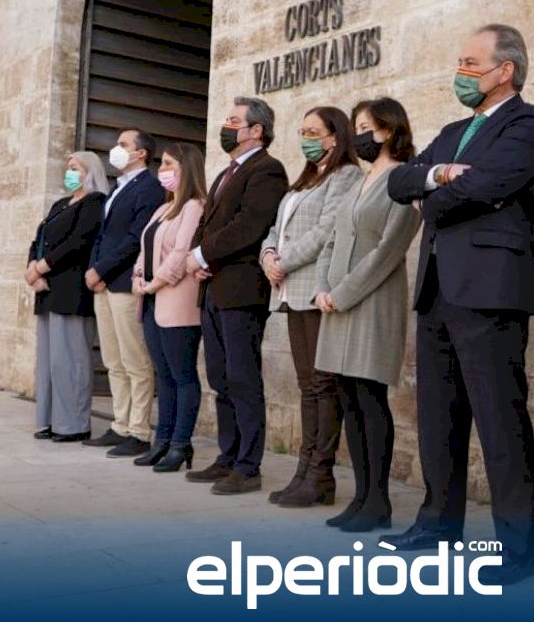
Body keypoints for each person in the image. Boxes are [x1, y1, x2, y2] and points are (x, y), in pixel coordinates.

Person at [382, 24, 534, 586]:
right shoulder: (453, 131)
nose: (461, 73)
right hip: (437, 288)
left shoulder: (530, 123)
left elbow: (490, 185)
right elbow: (399, 181)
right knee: (438, 417)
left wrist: (432, 199)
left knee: (500, 420)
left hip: (491, 288)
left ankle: (516, 551)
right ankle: (437, 525)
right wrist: (436, 174)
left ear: (506, 70)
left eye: (471, 63)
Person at [313, 98, 420, 532]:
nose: (358, 136)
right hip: (336, 303)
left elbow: (388, 250)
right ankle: (360, 496)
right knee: (348, 398)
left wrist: (341, 293)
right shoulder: (359, 180)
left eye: (365, 127)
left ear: (389, 130)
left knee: (369, 397)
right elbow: (333, 239)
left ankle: (378, 501)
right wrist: (322, 288)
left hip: (372, 302)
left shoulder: (402, 181)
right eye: (355, 127)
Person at [183, 97, 288, 495]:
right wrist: (198, 257)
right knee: (220, 376)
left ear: (256, 130)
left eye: (233, 121)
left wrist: (202, 255)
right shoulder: (226, 172)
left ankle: (248, 465)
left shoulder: (267, 169)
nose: (226, 127)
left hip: (242, 291)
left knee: (243, 378)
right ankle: (227, 456)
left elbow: (250, 226)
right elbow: (207, 224)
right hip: (213, 288)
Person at [260, 107, 363, 508]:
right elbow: (276, 228)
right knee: (308, 386)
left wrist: (283, 262)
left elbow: (327, 230)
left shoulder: (345, 176)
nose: (305, 138)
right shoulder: (304, 180)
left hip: (314, 289)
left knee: (323, 384)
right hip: (290, 291)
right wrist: (268, 255)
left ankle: (320, 474)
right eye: (302, 131)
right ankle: (304, 471)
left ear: (335, 137)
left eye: (313, 131)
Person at [82, 129, 166, 458]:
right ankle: (120, 424)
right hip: (104, 283)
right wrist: (94, 270)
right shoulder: (117, 188)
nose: (115, 149)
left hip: (124, 284)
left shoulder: (150, 188)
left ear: (141, 153)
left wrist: (101, 270)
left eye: (122, 144)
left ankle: (139, 431)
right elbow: (102, 235)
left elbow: (135, 239)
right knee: (113, 360)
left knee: (135, 360)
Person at [130, 143, 209, 473]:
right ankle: (161, 441)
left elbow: (181, 253)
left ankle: (180, 443)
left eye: (167, 164)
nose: (161, 170)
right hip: (150, 299)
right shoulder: (163, 209)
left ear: (186, 169)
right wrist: (138, 277)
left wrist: (155, 282)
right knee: (163, 375)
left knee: (182, 374)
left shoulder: (194, 206)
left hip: (177, 300)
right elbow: (144, 249)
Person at [26, 152, 108, 442]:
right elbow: (40, 238)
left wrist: (42, 267)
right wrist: (31, 269)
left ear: (89, 171)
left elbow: (78, 242)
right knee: (49, 362)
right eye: (68, 168)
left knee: (70, 361)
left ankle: (73, 424)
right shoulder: (60, 204)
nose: (69, 173)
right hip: (47, 290)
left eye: (75, 168)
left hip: (71, 291)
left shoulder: (95, 202)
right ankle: (50, 421)